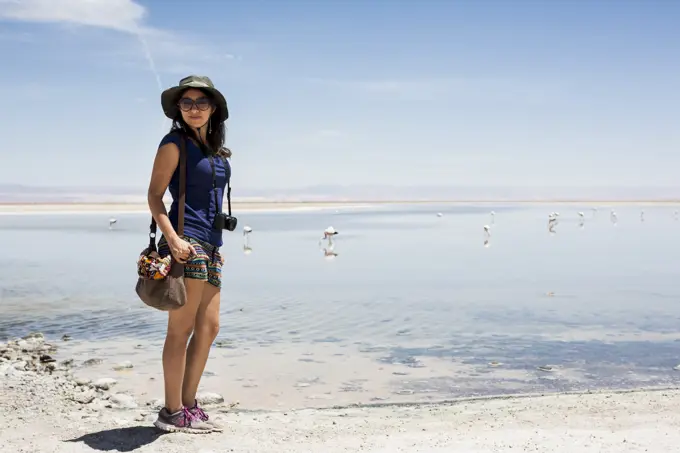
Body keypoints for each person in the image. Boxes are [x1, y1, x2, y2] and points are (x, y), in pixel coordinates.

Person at [147, 75, 231, 433]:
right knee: (179, 330)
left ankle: (189, 404)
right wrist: (174, 240)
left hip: (212, 247)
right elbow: (154, 196)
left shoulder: (216, 152)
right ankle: (171, 410)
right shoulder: (173, 143)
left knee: (209, 328)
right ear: (179, 109)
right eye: (187, 103)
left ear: (213, 109)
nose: (194, 109)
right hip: (186, 243)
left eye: (201, 102)